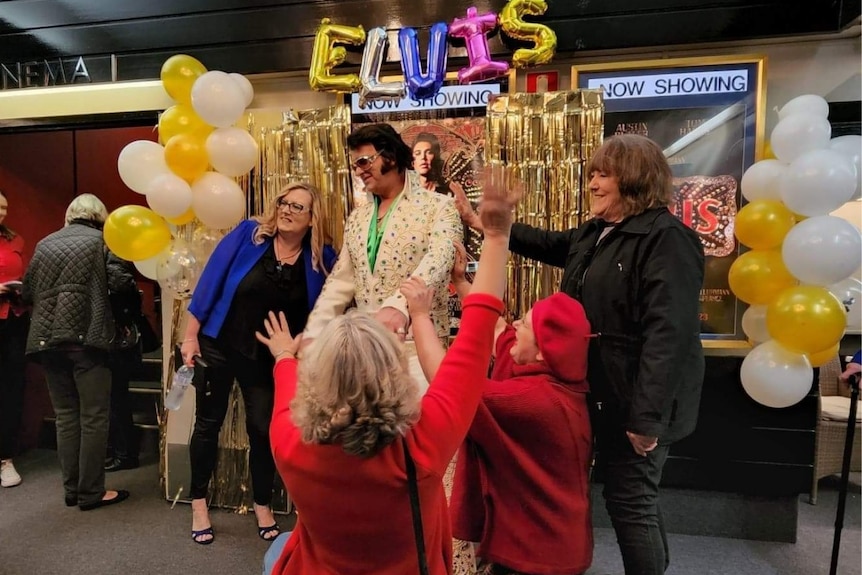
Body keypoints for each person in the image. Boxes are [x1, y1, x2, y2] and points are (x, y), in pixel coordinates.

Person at [455, 134, 705, 575]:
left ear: (634, 178)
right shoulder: (597, 231)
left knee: (631, 500)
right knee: (629, 500)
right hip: (602, 393)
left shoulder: (667, 238)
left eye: (603, 174)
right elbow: (553, 244)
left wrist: (647, 419)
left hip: (637, 403)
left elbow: (670, 334)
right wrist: (491, 227)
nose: (591, 182)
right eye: (591, 173)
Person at [255, 166, 518, 575]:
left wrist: (285, 357)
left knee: (278, 552)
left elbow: (287, 397)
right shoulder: (426, 443)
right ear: (393, 371)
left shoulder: (289, 442)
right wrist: (498, 237)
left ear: (321, 376)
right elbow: (478, 328)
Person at [419, 244, 594, 575]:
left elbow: (450, 384)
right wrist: (465, 283)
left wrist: (418, 316)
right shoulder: (559, 375)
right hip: (554, 545)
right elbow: (499, 331)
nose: (515, 325)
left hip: (538, 557)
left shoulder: (534, 400)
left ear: (544, 351)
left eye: (525, 324)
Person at [180, 183, 337, 545]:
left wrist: (301, 343)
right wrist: (190, 336)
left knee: (264, 430)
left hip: (269, 357)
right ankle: (199, 503)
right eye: (284, 202)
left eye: (298, 207)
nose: (287, 210)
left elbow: (328, 308)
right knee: (208, 424)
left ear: (313, 219)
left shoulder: (322, 257)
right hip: (220, 344)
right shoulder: (248, 235)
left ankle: (262, 503)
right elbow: (209, 284)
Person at [304, 123, 463, 390]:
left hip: (419, 347)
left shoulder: (439, 207)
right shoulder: (358, 217)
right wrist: (314, 332)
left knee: (421, 428)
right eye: (355, 164)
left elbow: (440, 258)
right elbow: (341, 281)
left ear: (390, 156)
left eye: (365, 161)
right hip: (367, 351)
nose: (359, 170)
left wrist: (398, 306)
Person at [22, 193, 134, 510]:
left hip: (48, 343)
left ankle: (71, 490)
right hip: (89, 341)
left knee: (65, 418)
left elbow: (28, 290)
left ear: (70, 215)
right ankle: (91, 492)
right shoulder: (103, 242)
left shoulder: (45, 244)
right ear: (101, 216)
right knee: (94, 418)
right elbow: (122, 284)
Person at [105, 261, 144, 473]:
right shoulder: (110, 250)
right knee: (116, 396)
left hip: (116, 336)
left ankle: (124, 453)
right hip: (116, 335)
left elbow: (122, 282)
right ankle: (122, 451)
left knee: (116, 396)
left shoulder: (110, 252)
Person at [0, 189, 28, 488]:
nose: (2, 213)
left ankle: (6, 458)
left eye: (5, 207)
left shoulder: (14, 239)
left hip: (13, 322)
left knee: (11, 389)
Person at [412, 132, 452, 196]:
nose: (423, 157)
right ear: (413, 162)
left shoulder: (447, 194)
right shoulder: (405, 192)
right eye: (418, 153)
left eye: (429, 152)